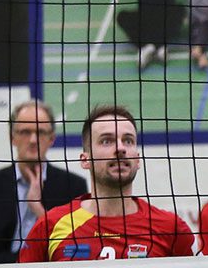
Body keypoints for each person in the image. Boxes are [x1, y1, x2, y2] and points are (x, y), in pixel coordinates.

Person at [19, 106, 194, 261]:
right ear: (85, 160)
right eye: (106, 141)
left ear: (137, 159)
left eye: (128, 140)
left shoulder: (170, 228)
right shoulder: (50, 226)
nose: (120, 148)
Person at [0, 100, 88, 264]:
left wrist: (39, 211)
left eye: (41, 132)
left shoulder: (73, 186)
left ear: (52, 138)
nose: (33, 140)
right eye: (25, 132)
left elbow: (77, 250)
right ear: (12, 138)